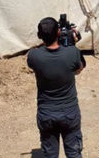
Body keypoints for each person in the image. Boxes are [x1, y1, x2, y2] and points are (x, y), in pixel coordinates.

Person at [27, 17, 85, 158]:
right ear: (59, 33)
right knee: (74, 153)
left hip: (46, 115)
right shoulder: (72, 52)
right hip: (70, 113)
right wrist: (72, 44)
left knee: (50, 154)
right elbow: (79, 69)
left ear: (39, 36)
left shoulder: (34, 56)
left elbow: (34, 64)